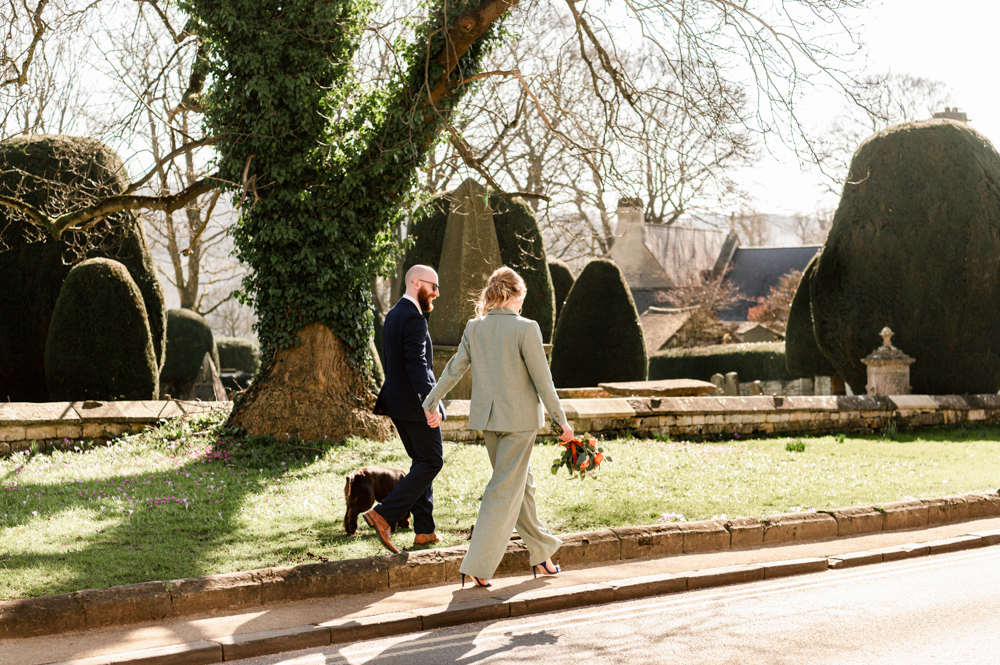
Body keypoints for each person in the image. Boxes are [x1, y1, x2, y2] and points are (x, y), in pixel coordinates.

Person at [421, 266, 574, 587]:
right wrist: (562, 421)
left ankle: (543, 553)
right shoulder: (526, 328)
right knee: (503, 490)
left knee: (521, 486)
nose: (522, 304)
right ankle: (477, 564)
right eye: (523, 298)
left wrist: (431, 402)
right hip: (519, 423)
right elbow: (543, 380)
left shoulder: (474, 328)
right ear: (515, 295)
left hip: (489, 422)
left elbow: (452, 370)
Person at [367, 264, 447, 554]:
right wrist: (430, 404)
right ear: (416, 282)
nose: (436, 293)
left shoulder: (394, 315)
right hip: (415, 405)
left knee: (421, 461)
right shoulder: (413, 318)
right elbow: (417, 366)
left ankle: (424, 530)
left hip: (398, 404)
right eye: (433, 286)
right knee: (432, 461)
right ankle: (383, 514)